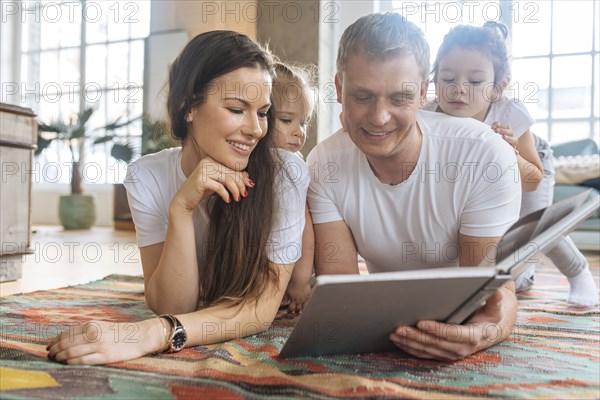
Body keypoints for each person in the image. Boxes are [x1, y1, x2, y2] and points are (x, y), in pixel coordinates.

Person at [46, 31, 309, 365]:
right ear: (187, 106)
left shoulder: (286, 172)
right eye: (236, 109)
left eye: (262, 113)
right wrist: (182, 209)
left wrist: (152, 333)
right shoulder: (146, 176)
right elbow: (172, 304)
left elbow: (258, 310)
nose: (256, 129)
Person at [307, 12, 522, 361]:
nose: (379, 118)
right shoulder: (323, 164)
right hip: (387, 312)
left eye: (399, 99)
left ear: (423, 93)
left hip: (462, 307)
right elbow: (340, 296)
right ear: (338, 89)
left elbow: (497, 295)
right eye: (362, 97)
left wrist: (484, 332)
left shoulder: (484, 154)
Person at [428, 22, 598, 306]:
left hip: (527, 165)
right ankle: (525, 272)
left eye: (474, 82)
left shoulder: (508, 112)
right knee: (506, 270)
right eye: (447, 79)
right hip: (475, 175)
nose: (458, 89)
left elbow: (532, 179)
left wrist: (510, 154)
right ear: (434, 81)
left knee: (533, 220)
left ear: (497, 88)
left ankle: (578, 271)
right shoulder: (430, 114)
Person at [271, 61, 317, 313]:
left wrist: (300, 281)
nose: (299, 132)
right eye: (287, 120)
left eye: (304, 122)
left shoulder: (292, 166)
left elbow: (305, 224)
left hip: (296, 263)